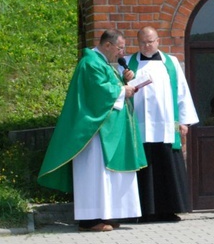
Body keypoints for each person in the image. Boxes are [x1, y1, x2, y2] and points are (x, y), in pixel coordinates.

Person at [38, 29, 147, 232]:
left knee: (104, 176)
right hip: (93, 132)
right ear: (107, 45)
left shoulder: (102, 63)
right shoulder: (90, 63)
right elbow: (98, 92)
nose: (122, 53)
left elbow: (109, 87)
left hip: (105, 128)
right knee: (93, 174)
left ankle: (105, 215)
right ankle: (89, 220)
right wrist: (124, 90)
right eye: (120, 48)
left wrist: (124, 81)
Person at [123, 26, 199, 222]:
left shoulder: (171, 63)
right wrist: (124, 80)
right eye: (143, 42)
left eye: (150, 41)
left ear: (158, 41)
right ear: (137, 42)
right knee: (144, 170)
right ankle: (144, 212)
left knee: (168, 168)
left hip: (167, 125)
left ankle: (169, 210)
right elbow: (120, 91)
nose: (147, 46)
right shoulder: (128, 65)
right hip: (139, 126)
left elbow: (182, 90)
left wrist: (184, 121)